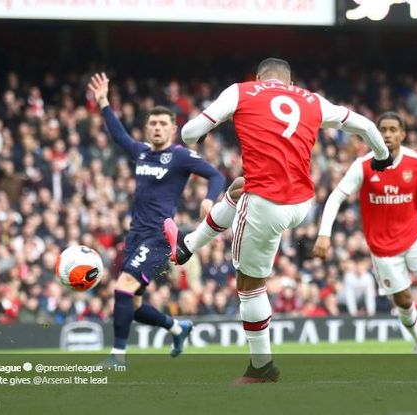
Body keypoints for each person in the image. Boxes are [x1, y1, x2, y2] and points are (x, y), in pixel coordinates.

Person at [164, 58, 392, 383]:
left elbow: (189, 132)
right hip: (302, 203)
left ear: (259, 77)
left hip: (267, 204)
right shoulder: (312, 99)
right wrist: (382, 157)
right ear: (289, 80)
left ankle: (261, 366)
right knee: (239, 186)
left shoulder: (242, 91)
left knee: (248, 285)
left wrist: (193, 138)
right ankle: (187, 245)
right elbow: (367, 127)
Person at [87, 73, 225, 365]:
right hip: (135, 236)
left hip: (161, 236)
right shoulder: (141, 153)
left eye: (163, 123)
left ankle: (117, 357)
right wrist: (103, 102)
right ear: (147, 129)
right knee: (132, 303)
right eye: (153, 123)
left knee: (122, 288)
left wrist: (208, 199)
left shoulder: (180, 156)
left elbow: (216, 175)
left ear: (173, 129)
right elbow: (118, 135)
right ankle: (177, 328)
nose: (158, 128)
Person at [312, 111, 417, 355]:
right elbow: (336, 197)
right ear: (374, 135)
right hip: (383, 249)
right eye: (382, 130)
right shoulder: (364, 165)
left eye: (392, 130)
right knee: (404, 301)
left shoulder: (416, 161)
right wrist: (324, 233)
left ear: (403, 134)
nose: (387, 134)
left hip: (413, 236)